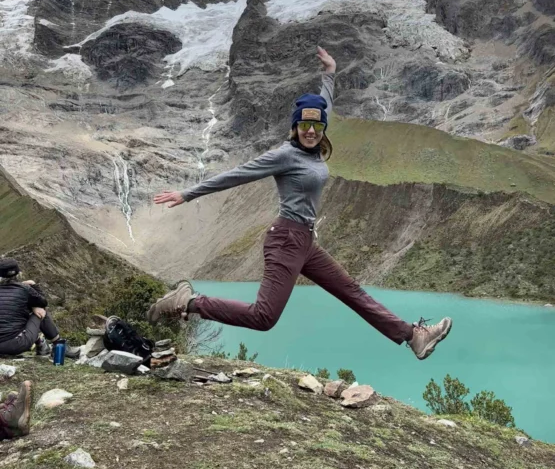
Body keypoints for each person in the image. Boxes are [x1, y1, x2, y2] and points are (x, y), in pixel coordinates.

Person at [148, 47, 452, 360]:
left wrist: (330, 73)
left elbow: (325, 106)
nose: (310, 130)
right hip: (285, 240)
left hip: (305, 241)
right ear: (295, 127)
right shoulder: (285, 155)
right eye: (304, 125)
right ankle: (188, 302)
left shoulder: (316, 138)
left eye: (316, 126)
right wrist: (188, 193)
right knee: (263, 317)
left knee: (351, 291)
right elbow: (238, 175)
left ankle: (413, 336)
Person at [0, 258, 79, 358]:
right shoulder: (24, 288)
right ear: (18, 273)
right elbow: (43, 302)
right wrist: (34, 285)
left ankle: (41, 345)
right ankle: (60, 346)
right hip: (16, 344)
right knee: (40, 311)